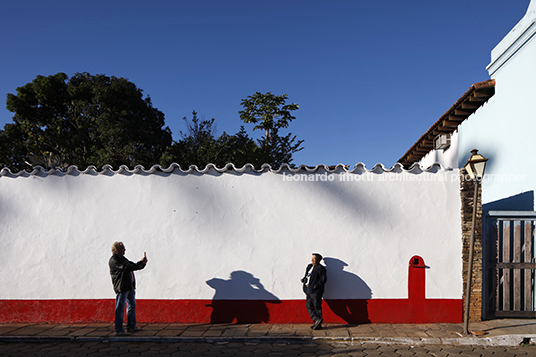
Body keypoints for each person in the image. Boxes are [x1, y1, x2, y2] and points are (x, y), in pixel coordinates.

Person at [109, 242, 148, 335]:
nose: (125, 251)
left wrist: (142, 263)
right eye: (123, 249)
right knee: (120, 308)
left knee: (131, 306)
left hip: (129, 286)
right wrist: (140, 263)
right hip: (122, 287)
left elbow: (132, 265)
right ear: (117, 250)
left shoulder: (122, 259)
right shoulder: (114, 260)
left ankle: (131, 326)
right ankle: (119, 330)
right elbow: (127, 267)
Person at [301, 253, 327, 330]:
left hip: (316, 291)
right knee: (308, 305)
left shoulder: (321, 268)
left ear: (318, 260)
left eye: (314, 258)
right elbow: (307, 276)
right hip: (308, 290)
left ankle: (318, 322)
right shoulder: (309, 267)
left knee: (317, 306)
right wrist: (304, 280)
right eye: (312, 258)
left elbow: (323, 279)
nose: (312, 259)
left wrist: (316, 285)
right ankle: (316, 320)